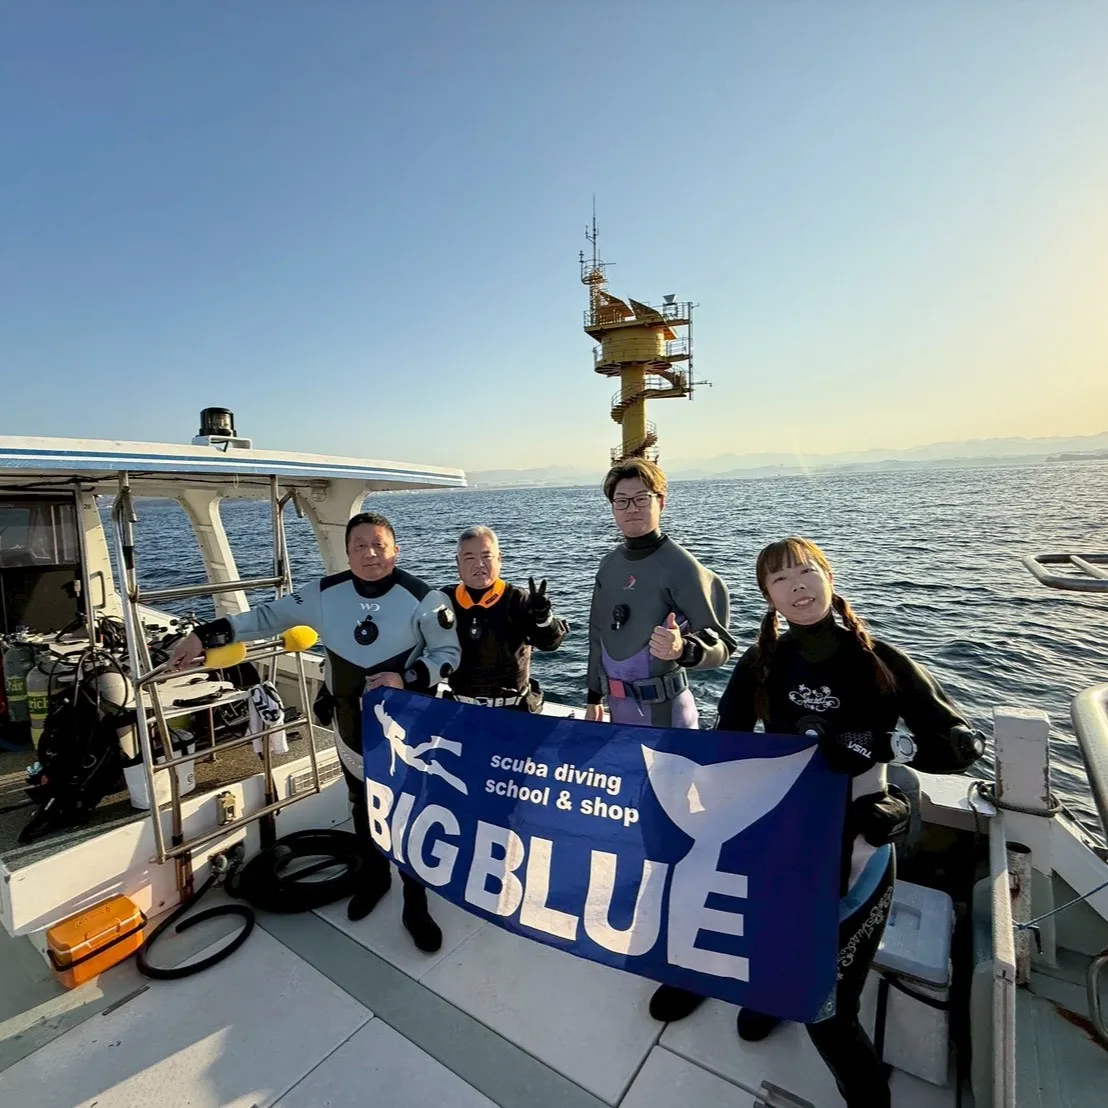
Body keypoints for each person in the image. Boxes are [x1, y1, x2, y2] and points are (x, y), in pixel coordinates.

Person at [711, 536, 985, 1108]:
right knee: (771, 952)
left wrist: (888, 752)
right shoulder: (760, 664)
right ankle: (771, 995)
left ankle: (867, 1093)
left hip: (859, 844)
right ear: (768, 597)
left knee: (828, 1006)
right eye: (781, 580)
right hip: (782, 841)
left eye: (808, 571)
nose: (798, 586)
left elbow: (959, 747)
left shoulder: (877, 658)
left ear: (829, 579)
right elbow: (725, 747)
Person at [167, 511, 461, 952]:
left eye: (379, 544)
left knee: (407, 810)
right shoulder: (325, 594)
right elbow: (265, 617)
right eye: (359, 545)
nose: (370, 553)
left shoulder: (425, 597)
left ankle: (415, 901)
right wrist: (203, 636)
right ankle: (373, 877)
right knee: (362, 803)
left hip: (405, 726)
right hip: (349, 724)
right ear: (347, 553)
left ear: (396, 549)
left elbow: (449, 653)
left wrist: (409, 678)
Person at [583, 457, 737, 1021]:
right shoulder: (608, 563)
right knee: (640, 816)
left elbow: (724, 643)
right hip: (619, 712)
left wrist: (687, 651)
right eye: (621, 500)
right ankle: (654, 908)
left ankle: (686, 943)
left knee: (677, 823)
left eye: (640, 498)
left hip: (667, 712)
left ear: (660, 501)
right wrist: (594, 693)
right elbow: (600, 629)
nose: (630, 508)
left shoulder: (680, 564)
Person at [443, 525, 568, 711]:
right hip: (460, 708)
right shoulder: (444, 599)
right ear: (458, 562)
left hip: (513, 709)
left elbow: (550, 644)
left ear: (499, 558)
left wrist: (543, 618)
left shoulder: (518, 599)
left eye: (487, 556)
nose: (479, 564)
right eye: (470, 558)